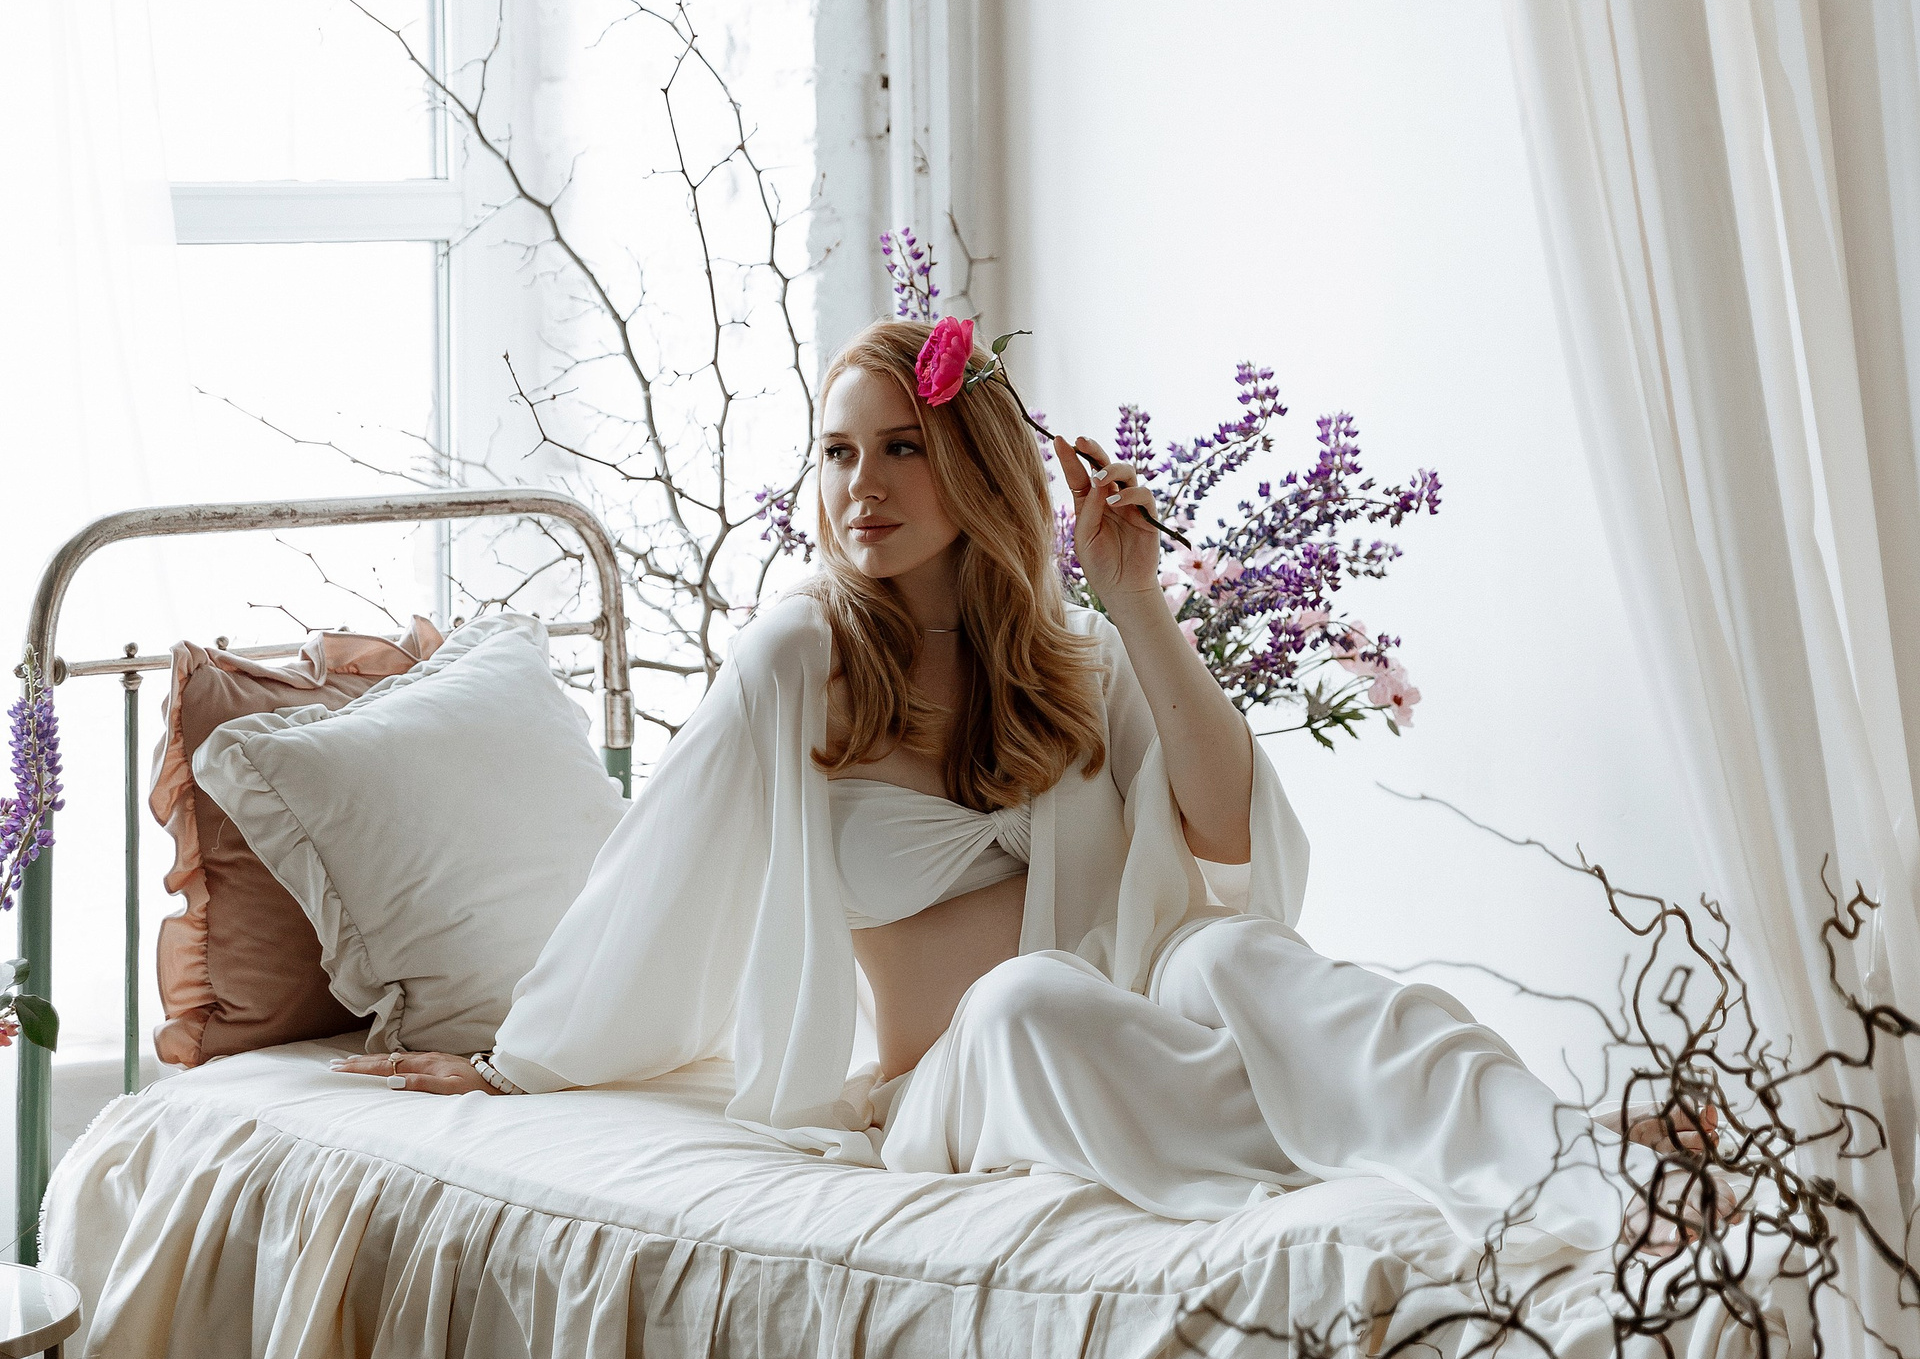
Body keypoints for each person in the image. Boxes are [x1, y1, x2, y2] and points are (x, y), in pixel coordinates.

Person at [334, 316, 1637, 1250]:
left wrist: (1138, 605)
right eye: (838, 453)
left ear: (973, 465)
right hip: (955, 1086)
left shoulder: (1077, 659)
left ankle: (1584, 1168)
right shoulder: (801, 659)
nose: (862, 486)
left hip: (1140, 1019)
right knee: (1026, 997)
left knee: (1237, 959)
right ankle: (1372, 1183)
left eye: (901, 448)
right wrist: (516, 1067)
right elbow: (660, 866)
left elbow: (1232, 844)